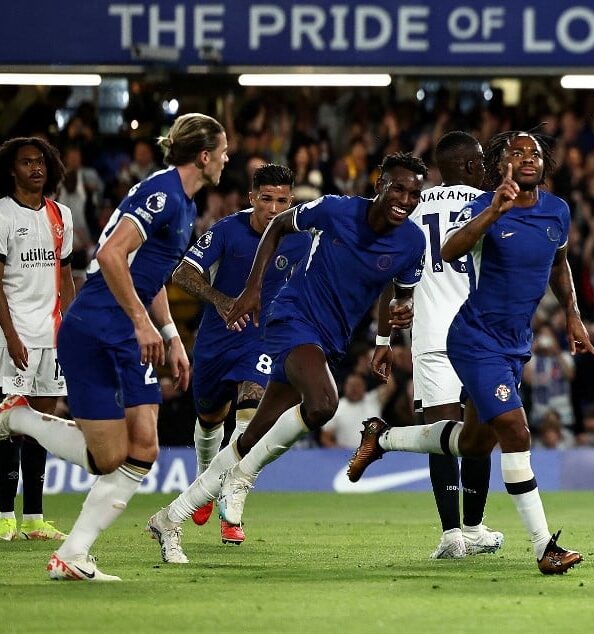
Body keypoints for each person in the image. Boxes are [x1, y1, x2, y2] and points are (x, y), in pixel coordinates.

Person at [146, 153, 427, 565]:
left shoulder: (412, 241)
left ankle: (171, 516)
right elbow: (279, 225)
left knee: (252, 433)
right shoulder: (336, 209)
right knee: (322, 404)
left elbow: (400, 291)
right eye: (398, 187)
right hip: (292, 316)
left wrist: (390, 330)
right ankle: (244, 475)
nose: (405, 198)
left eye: (414, 193)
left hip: (331, 337)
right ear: (380, 182)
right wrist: (254, 288)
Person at [347, 130, 594, 575]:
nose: (526, 159)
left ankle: (383, 437)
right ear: (493, 164)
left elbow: (559, 263)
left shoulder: (557, 211)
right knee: (516, 432)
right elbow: (451, 248)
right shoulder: (483, 203)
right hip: (473, 337)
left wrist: (572, 315)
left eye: (534, 152)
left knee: (471, 440)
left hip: (510, 345)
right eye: (516, 153)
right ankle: (544, 546)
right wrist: (493, 211)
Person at [0, 112, 227, 580]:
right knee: (110, 457)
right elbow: (109, 255)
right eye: (223, 151)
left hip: (125, 330)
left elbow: (150, 275)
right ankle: (13, 417)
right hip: (97, 328)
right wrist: (144, 324)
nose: (227, 159)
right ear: (204, 156)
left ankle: (73, 555)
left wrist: (168, 334)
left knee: (140, 449)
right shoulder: (162, 193)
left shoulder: (183, 204)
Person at [372, 131, 503, 559]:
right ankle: (474, 526)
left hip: (430, 335)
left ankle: (452, 536)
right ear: (467, 166)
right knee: (480, 430)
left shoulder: (412, 205)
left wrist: (384, 337)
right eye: (481, 162)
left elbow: (387, 271)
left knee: (441, 433)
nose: (485, 169)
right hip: (480, 334)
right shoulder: (488, 204)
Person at [171, 164, 309, 545]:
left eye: (282, 200)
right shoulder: (228, 230)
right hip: (217, 338)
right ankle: (206, 478)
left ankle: (234, 505)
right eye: (266, 199)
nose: (273, 208)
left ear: (291, 201)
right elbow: (182, 273)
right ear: (252, 198)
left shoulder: (300, 238)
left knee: (253, 402)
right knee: (210, 416)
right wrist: (220, 300)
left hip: (263, 337)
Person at [0, 137, 75, 542]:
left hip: (51, 336)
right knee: (10, 424)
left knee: (41, 425)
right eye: (26, 162)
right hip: (14, 335)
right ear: (12, 169)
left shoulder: (60, 214)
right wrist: (10, 335)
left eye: (41, 161)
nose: (35, 168)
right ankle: (2, 515)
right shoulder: (2, 214)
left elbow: (65, 278)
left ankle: (33, 518)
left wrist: (73, 328)